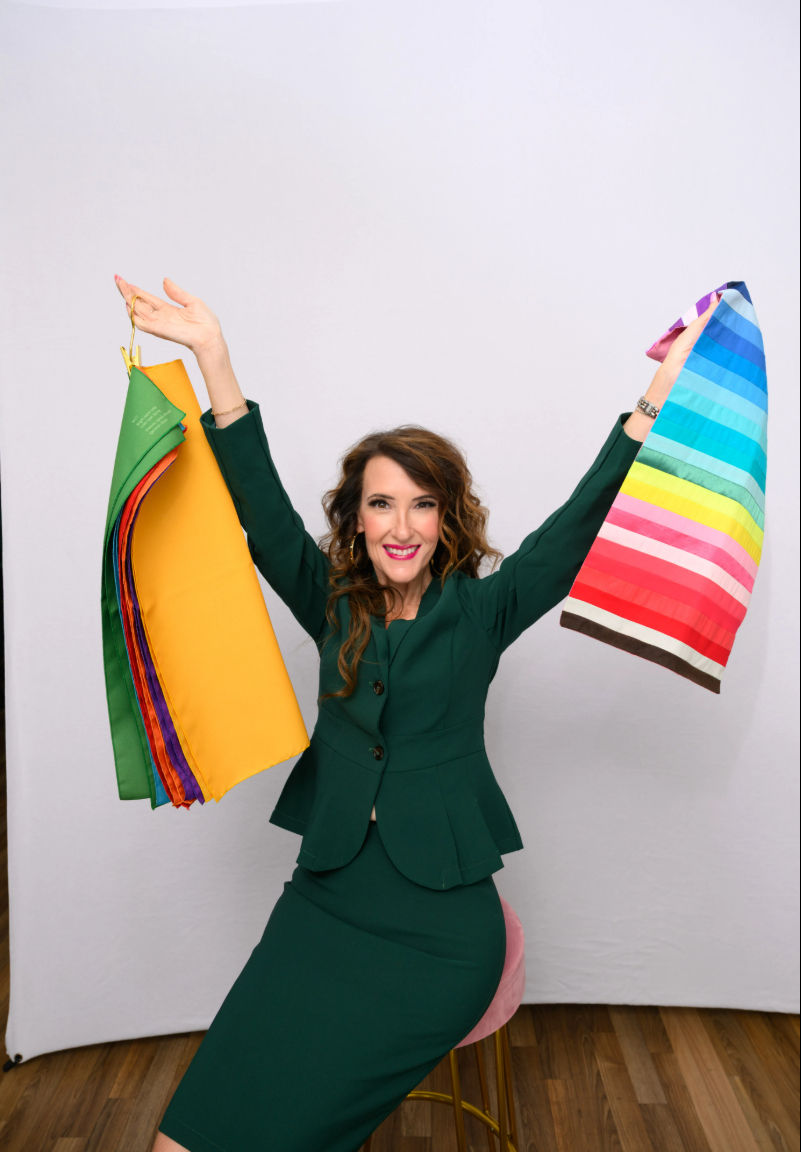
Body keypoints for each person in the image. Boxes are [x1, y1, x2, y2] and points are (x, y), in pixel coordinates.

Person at [114, 275, 716, 1152]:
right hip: (323, 905)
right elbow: (259, 509)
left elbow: (580, 520)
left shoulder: (484, 611)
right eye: (382, 502)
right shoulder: (328, 600)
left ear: (446, 518)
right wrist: (213, 356)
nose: (402, 524)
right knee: (189, 1132)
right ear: (355, 521)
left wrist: (653, 396)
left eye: (423, 503)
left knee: (299, 1129)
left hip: (438, 935)